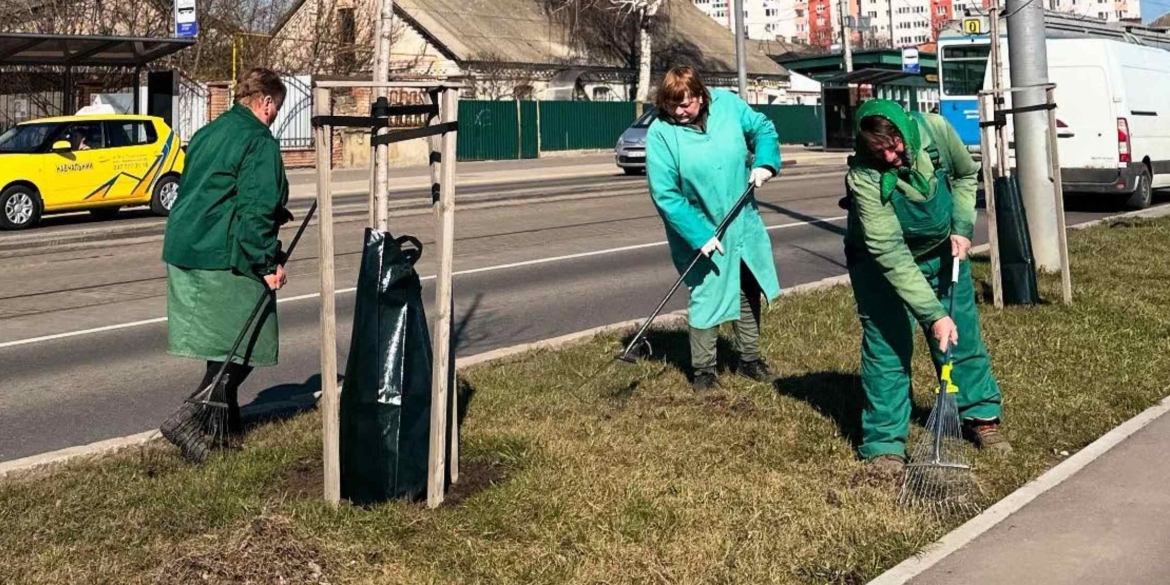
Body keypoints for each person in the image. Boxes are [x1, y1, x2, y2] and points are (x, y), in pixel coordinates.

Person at [843, 99, 1011, 476]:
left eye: (894, 145)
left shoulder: (935, 130)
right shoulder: (864, 177)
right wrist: (933, 315)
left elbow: (967, 176)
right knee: (887, 345)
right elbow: (889, 251)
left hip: (943, 251)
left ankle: (980, 416)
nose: (889, 156)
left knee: (961, 333)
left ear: (904, 130)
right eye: (878, 150)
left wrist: (962, 228)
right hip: (880, 265)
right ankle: (885, 445)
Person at [160, 68, 291, 452]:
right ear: (266, 102)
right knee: (246, 341)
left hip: (188, 244)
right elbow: (256, 209)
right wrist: (267, 265)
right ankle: (189, 417)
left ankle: (223, 431)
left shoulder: (208, 133)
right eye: (276, 108)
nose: (275, 116)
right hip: (223, 251)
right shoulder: (258, 140)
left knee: (224, 344)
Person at [645, 66, 782, 392]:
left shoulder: (728, 105)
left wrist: (764, 161)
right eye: (671, 105)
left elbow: (763, 129)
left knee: (748, 284)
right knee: (707, 293)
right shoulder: (661, 133)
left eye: (685, 104)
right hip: (701, 225)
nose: (678, 112)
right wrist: (698, 234)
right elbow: (665, 194)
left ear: (701, 95)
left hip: (742, 220)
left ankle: (749, 359)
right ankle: (704, 371)